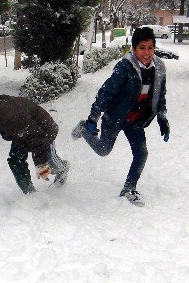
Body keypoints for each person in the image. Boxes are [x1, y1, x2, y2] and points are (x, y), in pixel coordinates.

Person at [71, 27, 169, 206]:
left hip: (136, 119)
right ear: (133, 49)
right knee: (103, 150)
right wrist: (93, 117)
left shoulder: (159, 68)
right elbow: (106, 92)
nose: (146, 52)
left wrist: (162, 117)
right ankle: (83, 128)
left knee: (141, 153)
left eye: (150, 47)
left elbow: (160, 94)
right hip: (116, 116)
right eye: (142, 48)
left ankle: (128, 189)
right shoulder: (125, 67)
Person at [0, 95, 69, 194]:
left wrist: (40, 164)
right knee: (15, 160)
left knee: (48, 159)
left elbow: (38, 138)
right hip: (23, 131)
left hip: (44, 128)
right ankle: (30, 193)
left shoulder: (11, 120)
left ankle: (62, 167)